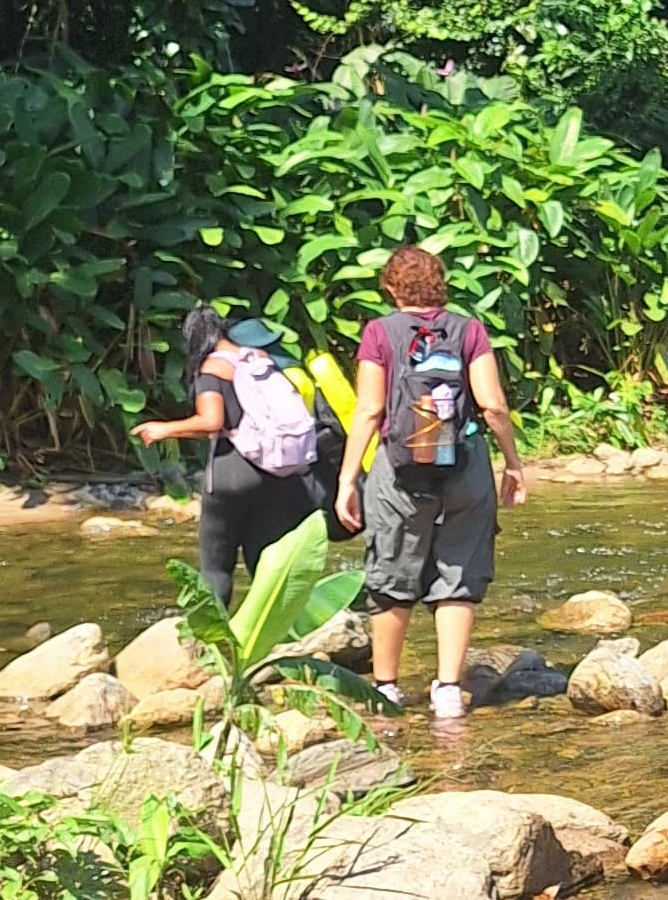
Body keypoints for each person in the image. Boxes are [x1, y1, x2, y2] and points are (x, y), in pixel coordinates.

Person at [334, 246, 524, 722]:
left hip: (398, 470)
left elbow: (370, 410)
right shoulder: (469, 330)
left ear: (391, 287)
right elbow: (493, 405)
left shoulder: (379, 333)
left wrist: (347, 478)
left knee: (391, 577)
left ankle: (388, 689)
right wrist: (514, 464)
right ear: (441, 284)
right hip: (467, 465)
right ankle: (447, 689)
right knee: (459, 576)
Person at [136, 305, 321, 609]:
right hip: (277, 472)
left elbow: (211, 420)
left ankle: (212, 645)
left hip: (232, 472)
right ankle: (279, 637)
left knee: (216, 567)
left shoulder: (212, 368)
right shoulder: (260, 360)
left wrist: (163, 429)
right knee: (265, 563)